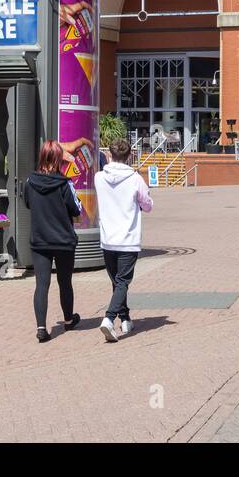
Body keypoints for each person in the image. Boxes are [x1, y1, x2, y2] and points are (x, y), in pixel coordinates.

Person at [22, 140, 83, 343]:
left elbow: (28, 203)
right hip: (63, 240)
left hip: (40, 241)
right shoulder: (65, 183)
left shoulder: (30, 181)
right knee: (65, 282)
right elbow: (77, 209)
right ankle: (68, 320)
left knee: (42, 285)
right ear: (58, 159)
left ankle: (41, 327)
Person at [93, 138, 153, 341]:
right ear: (129, 156)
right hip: (128, 237)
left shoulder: (99, 177)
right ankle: (109, 319)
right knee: (123, 282)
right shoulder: (135, 179)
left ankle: (125, 319)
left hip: (108, 237)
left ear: (109, 155)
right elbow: (147, 205)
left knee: (117, 282)